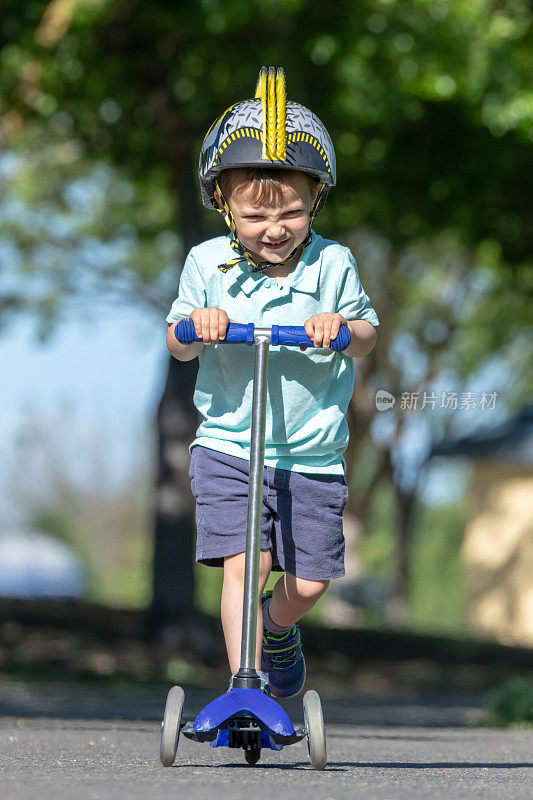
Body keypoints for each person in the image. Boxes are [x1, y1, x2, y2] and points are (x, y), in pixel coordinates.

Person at [166, 67, 379, 699]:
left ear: (314, 200)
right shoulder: (207, 264)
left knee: (307, 584)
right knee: (244, 566)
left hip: (312, 452)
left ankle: (278, 629)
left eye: (290, 210)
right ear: (224, 205)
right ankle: (243, 687)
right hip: (231, 446)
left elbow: (367, 335)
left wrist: (340, 326)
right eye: (257, 213)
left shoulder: (333, 263)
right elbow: (177, 344)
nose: (275, 227)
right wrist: (199, 326)